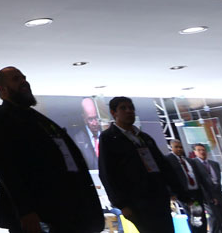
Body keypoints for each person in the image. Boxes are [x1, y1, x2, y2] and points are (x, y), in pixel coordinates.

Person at [0, 66, 103, 233]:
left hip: (68, 208)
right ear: (2, 89)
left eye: (24, 78)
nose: (24, 82)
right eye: (16, 79)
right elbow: (5, 166)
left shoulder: (40, 119)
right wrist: (25, 210)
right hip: (38, 213)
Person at [97, 97, 181, 233]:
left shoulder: (144, 137)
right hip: (137, 201)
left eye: (131, 108)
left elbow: (162, 165)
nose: (129, 111)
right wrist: (122, 204)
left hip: (159, 196)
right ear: (113, 112)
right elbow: (107, 173)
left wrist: (175, 190)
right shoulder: (109, 138)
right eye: (123, 108)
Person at [165, 140, 211, 233]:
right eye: (176, 147)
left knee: (201, 216)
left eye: (181, 147)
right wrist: (172, 193)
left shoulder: (189, 160)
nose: (179, 149)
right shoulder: (168, 160)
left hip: (196, 192)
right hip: (185, 193)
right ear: (171, 147)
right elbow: (168, 178)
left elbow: (198, 176)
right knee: (195, 216)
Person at [192, 143, 222, 233]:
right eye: (199, 150)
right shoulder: (193, 164)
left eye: (203, 150)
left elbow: (218, 181)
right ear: (195, 152)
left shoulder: (214, 164)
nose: (202, 152)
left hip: (219, 195)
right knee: (214, 218)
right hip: (207, 197)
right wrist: (210, 197)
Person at [71, 98, 103, 171]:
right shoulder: (78, 140)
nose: (94, 123)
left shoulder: (107, 135)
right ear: (84, 118)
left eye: (96, 118)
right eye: (90, 119)